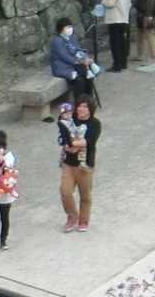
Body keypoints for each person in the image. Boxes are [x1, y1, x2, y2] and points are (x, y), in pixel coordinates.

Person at [57, 98, 100, 232]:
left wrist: (71, 144)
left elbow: (88, 142)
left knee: (85, 195)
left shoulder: (95, 123)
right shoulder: (71, 119)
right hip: (69, 164)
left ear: (90, 109)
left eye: (85, 106)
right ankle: (72, 216)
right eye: (79, 106)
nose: (81, 109)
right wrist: (66, 144)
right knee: (65, 191)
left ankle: (83, 220)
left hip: (85, 165)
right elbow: (62, 134)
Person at [46, 17, 98, 118]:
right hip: (62, 67)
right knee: (79, 80)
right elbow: (64, 56)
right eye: (67, 27)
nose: (70, 29)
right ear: (61, 29)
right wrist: (80, 61)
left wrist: (86, 58)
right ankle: (79, 106)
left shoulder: (72, 37)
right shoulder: (57, 41)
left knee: (87, 76)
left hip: (75, 65)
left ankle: (88, 102)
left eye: (70, 26)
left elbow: (78, 50)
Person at [100, 0, 132, 72]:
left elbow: (110, 3)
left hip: (114, 19)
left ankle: (116, 65)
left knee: (115, 44)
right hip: (124, 18)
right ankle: (123, 63)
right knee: (122, 43)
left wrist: (103, 0)